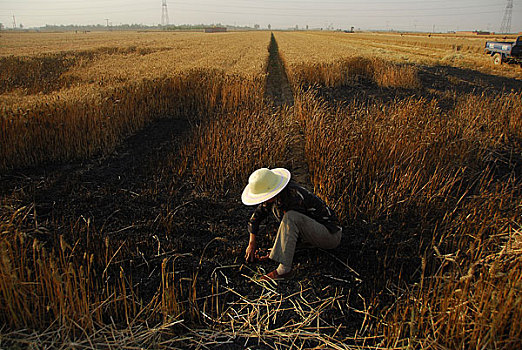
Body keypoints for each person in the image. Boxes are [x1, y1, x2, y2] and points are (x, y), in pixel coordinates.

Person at [241, 168, 342, 281]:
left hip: (330, 235)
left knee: (290, 217)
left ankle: (284, 270)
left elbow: (294, 232)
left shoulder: (294, 197)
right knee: (279, 228)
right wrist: (252, 243)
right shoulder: (274, 197)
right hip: (312, 231)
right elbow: (256, 217)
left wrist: (274, 252)